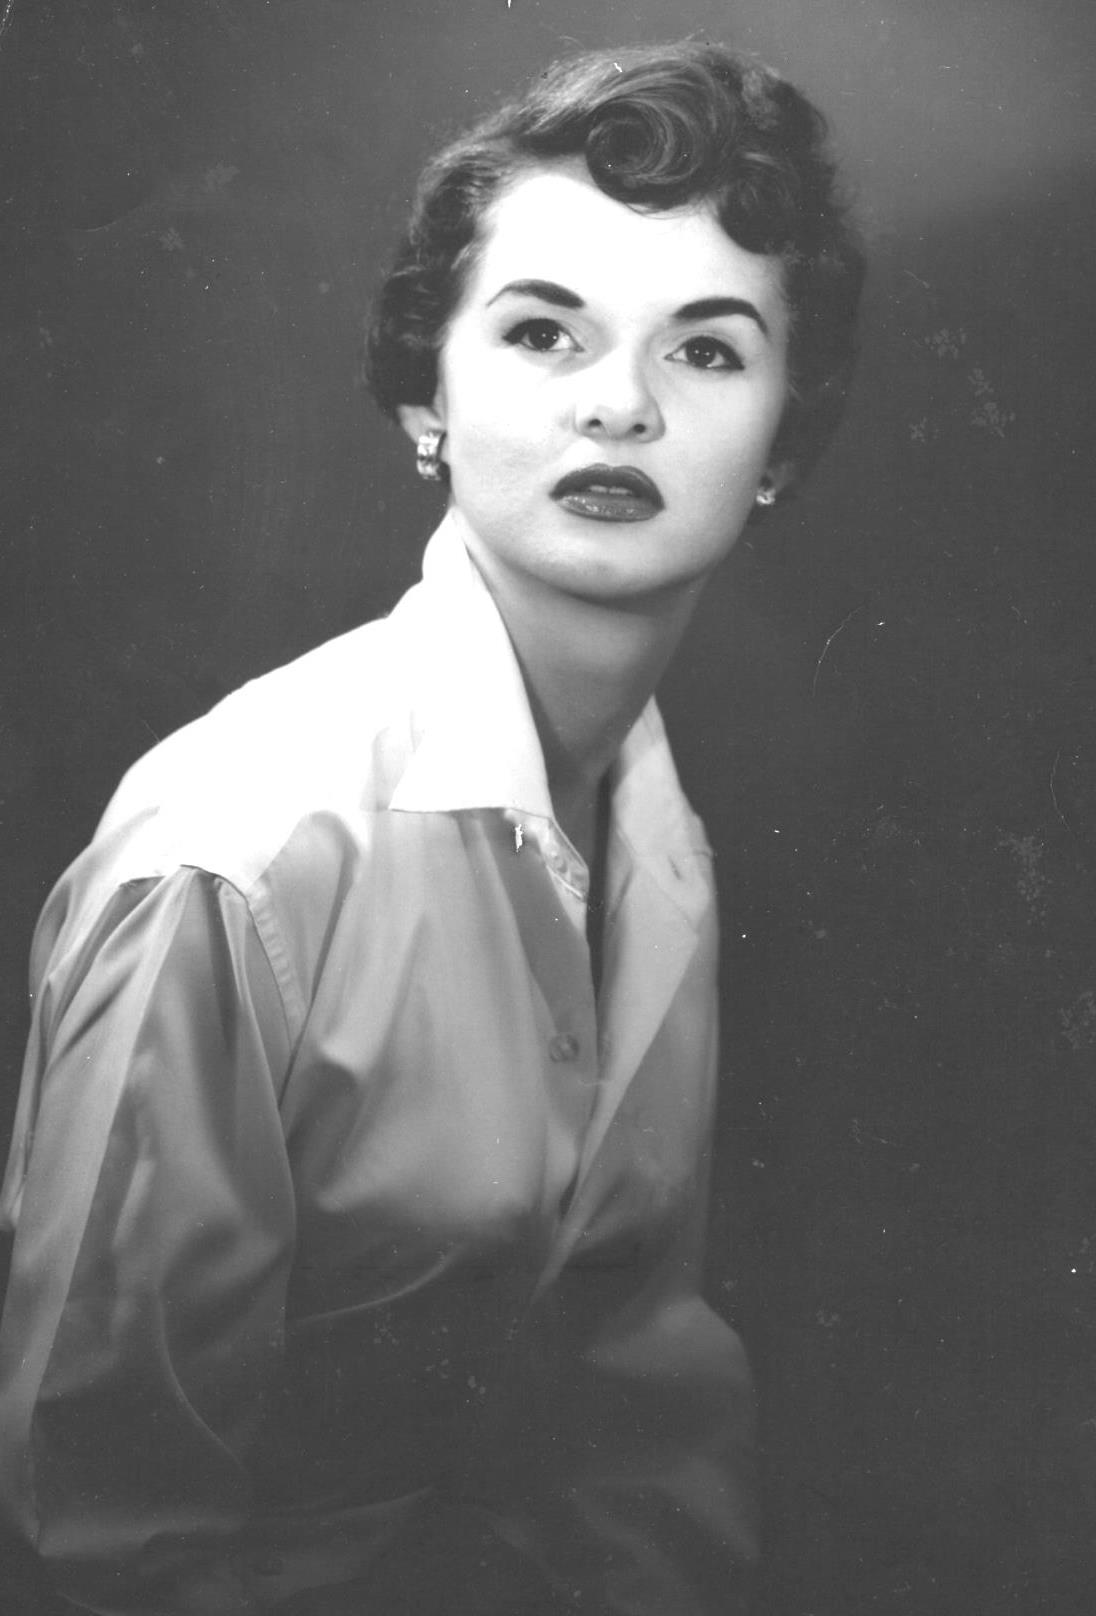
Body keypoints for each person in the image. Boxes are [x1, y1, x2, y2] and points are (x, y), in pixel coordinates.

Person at [0, 40, 863, 1616]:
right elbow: (99, 1535)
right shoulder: (236, 857)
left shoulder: (660, 839)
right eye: (542, 332)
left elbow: (635, 1413)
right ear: (425, 396)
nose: (619, 404)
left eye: (707, 350)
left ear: (781, 446)